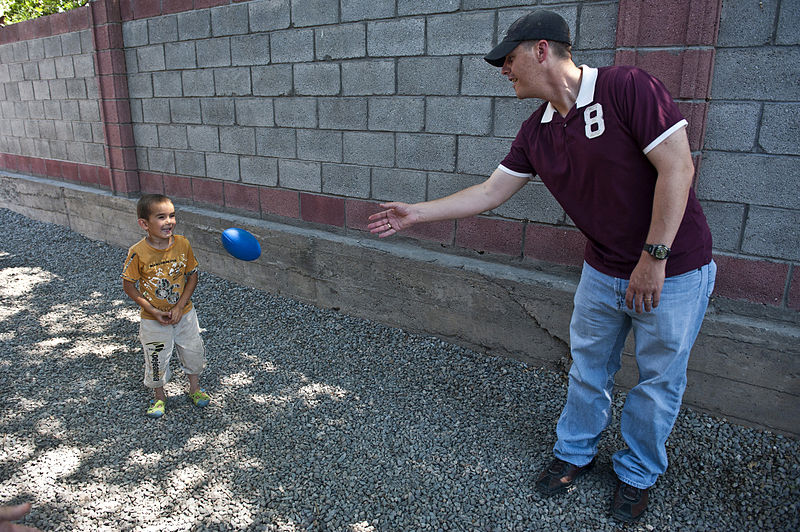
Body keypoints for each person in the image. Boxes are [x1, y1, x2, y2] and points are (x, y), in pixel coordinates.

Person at [368, 10, 715, 523]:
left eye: (507, 59)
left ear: (541, 49)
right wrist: (417, 213)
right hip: (602, 270)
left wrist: (653, 258)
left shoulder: (627, 88)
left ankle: (637, 474)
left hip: (673, 267)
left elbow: (678, 167)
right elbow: (490, 192)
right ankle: (574, 454)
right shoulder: (537, 131)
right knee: (587, 369)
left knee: (659, 381)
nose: (503, 70)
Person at [122, 194, 211, 418]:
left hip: (185, 315)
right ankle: (159, 398)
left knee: (193, 353)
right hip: (154, 321)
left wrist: (180, 306)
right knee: (156, 359)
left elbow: (192, 276)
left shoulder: (183, 244)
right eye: (161, 217)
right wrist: (152, 310)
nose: (169, 221)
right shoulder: (137, 252)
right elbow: (129, 285)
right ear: (144, 223)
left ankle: (195, 389)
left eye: (172, 215)